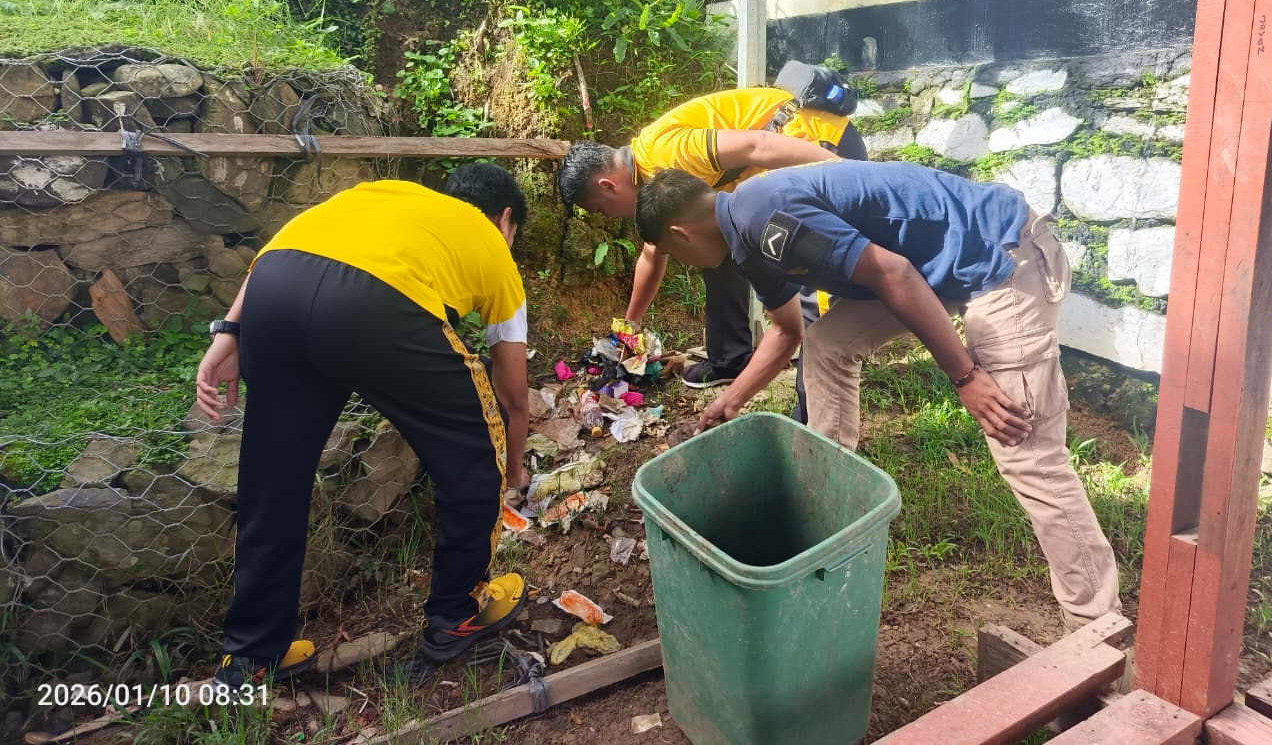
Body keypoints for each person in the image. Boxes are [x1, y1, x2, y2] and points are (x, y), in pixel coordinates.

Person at [634, 162, 1121, 628]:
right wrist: (732, 399)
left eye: (674, 256)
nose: (683, 263)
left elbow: (894, 275)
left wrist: (967, 376)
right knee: (828, 344)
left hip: (999, 254)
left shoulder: (761, 216)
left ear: (679, 234)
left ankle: (1095, 629)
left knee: (1025, 449)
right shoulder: (745, 237)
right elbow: (788, 331)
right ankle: (827, 513)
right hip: (930, 267)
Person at [195, 163, 532, 689]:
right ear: (505, 219)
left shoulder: (382, 195)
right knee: (472, 453)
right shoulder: (493, 249)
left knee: (271, 481)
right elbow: (512, 395)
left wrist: (229, 331)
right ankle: (456, 614)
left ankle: (252, 656)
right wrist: (511, 472)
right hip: (376, 305)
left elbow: (284, 244)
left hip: (274, 290)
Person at [557, 85, 866, 403]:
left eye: (600, 209)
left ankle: (817, 402)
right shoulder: (649, 175)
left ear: (607, 186)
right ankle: (730, 359)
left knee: (815, 287)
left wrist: (848, 173)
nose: (607, 217)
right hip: (773, 174)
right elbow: (654, 252)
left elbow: (757, 145)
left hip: (816, 145)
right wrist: (630, 326)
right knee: (711, 244)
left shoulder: (664, 152)